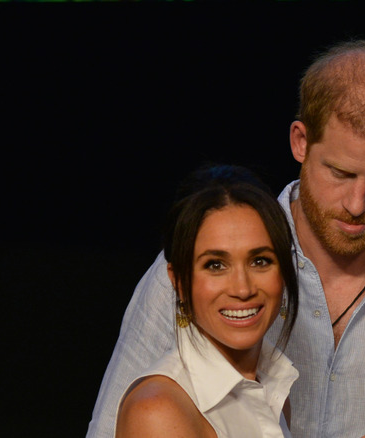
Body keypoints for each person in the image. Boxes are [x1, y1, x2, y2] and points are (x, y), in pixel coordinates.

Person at [88, 39, 365, 438]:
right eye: (340, 173)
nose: (357, 203)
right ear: (300, 142)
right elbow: (113, 427)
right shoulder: (198, 269)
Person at [114, 163, 300, 437]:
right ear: (178, 281)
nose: (242, 288)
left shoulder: (274, 394)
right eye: (215, 265)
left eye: (260, 261)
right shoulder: (158, 410)